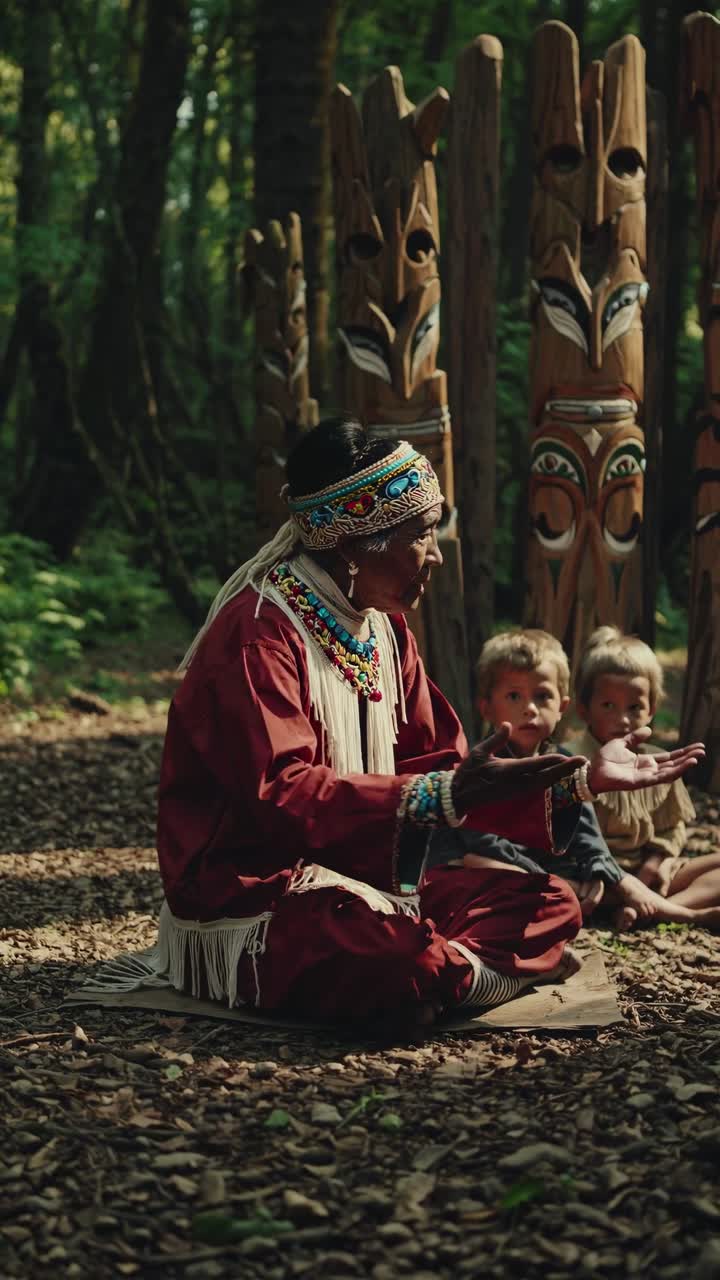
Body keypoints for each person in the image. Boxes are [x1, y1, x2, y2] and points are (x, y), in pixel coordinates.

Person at [89, 419, 704, 1026]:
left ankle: (443, 977)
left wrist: (579, 782)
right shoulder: (258, 635)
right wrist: (436, 795)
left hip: (368, 882)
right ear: (355, 543)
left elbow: (444, 771)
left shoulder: (382, 629)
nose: (435, 554)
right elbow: (279, 793)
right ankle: (451, 973)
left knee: (550, 900)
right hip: (256, 898)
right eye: (422, 534)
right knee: (391, 960)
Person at [429, 629, 699, 927]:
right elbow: (485, 845)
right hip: (496, 870)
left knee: (591, 880)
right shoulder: (481, 765)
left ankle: (620, 897)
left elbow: (586, 832)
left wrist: (609, 873)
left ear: (562, 707)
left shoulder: (561, 763)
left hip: (548, 871)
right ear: (487, 708)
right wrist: (550, 880)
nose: (530, 709)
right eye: (514, 696)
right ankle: (620, 902)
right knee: (488, 867)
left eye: (542, 696)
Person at [575, 626, 720, 929]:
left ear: (652, 709)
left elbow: (672, 827)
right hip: (597, 878)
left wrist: (657, 862)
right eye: (608, 706)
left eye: (634, 707)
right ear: (584, 709)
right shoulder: (573, 761)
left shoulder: (657, 762)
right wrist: (620, 879)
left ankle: (649, 910)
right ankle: (653, 909)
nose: (623, 719)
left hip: (647, 871)